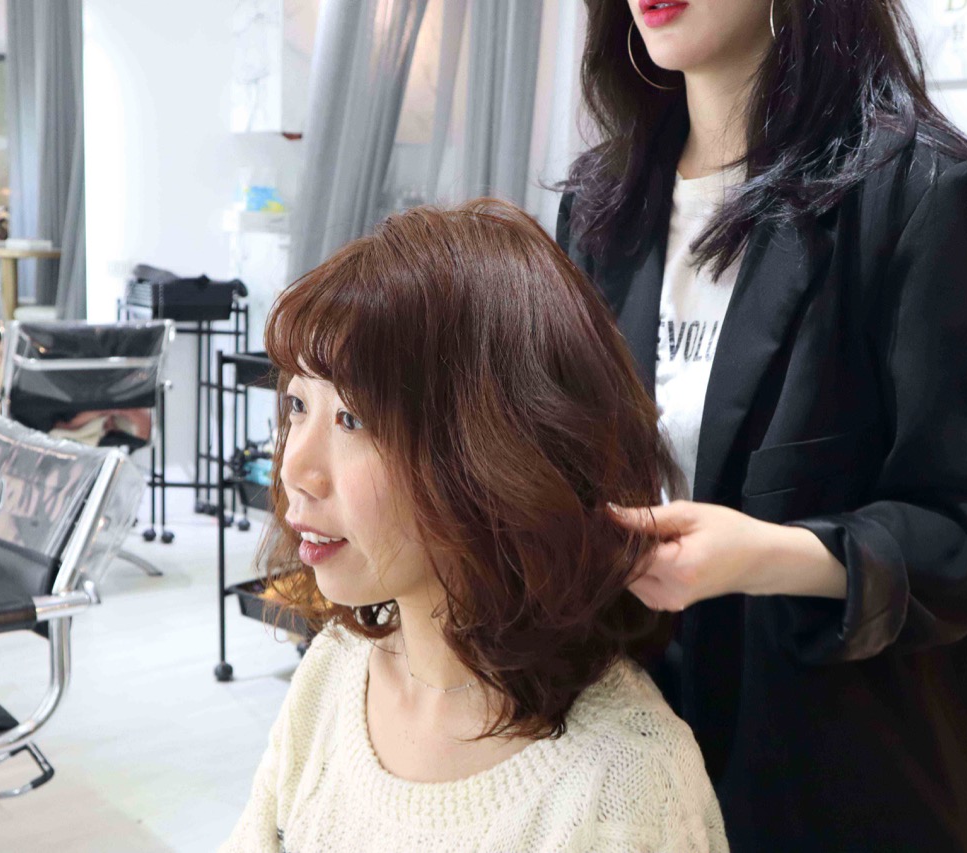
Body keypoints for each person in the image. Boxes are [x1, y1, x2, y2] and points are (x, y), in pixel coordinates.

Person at [555, 1, 967, 849]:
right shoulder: (602, 203)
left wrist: (768, 556)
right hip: (631, 765)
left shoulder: (925, 192)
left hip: (832, 777)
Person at [222, 199, 728, 852]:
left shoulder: (623, 784)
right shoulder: (335, 670)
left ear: (491, 453)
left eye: (352, 418)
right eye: (297, 405)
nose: (295, 467)